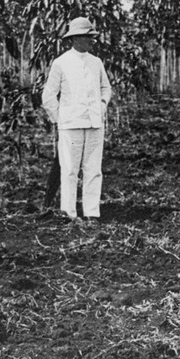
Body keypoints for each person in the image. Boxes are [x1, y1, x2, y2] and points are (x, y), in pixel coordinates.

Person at [42, 17, 113, 223]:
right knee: (70, 170)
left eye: (92, 37)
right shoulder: (61, 63)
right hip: (70, 125)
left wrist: (101, 104)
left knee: (93, 169)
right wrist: (59, 119)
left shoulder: (96, 62)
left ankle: (91, 213)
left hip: (94, 123)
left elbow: (106, 87)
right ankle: (70, 213)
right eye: (87, 37)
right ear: (74, 39)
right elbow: (48, 96)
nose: (91, 41)